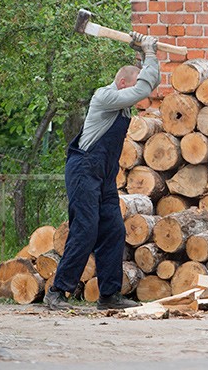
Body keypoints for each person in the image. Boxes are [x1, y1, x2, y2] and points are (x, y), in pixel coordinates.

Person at [44, 31, 160, 311]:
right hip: (84, 170)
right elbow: (143, 89)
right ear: (122, 83)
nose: (137, 98)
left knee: (113, 230)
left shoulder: (121, 104)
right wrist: (152, 54)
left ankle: (108, 295)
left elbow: (147, 84)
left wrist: (145, 54)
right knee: (85, 229)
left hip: (104, 176)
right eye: (131, 88)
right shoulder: (105, 96)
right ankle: (57, 291)